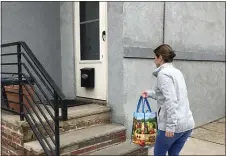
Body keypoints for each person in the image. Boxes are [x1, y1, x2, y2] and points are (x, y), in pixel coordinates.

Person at [142, 44, 195, 156]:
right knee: (174, 154)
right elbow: (172, 95)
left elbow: (171, 100)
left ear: (160, 58)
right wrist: (150, 93)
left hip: (173, 126)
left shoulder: (163, 74)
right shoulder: (177, 72)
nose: (154, 60)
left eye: (155, 57)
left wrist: (170, 126)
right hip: (187, 124)